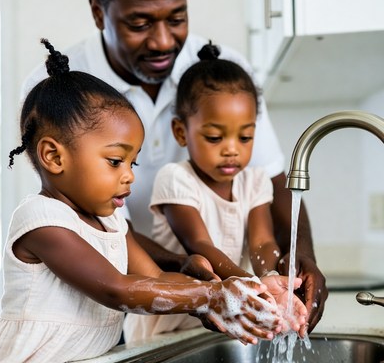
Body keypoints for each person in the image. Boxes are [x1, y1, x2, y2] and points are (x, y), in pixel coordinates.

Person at [22, 0, 327, 331]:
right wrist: (218, 293)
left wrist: (295, 261)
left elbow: (274, 185)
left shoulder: (223, 73)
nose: (163, 41)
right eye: (140, 24)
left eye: (177, 18)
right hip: (105, 303)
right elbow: (109, 262)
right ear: (99, 12)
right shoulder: (55, 91)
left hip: (164, 294)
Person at [0, 39, 295, 362]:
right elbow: (117, 289)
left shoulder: (112, 222)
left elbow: (154, 280)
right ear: (53, 156)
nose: (130, 175)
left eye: (132, 163)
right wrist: (212, 296)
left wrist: (240, 291)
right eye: (116, 161)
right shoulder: (42, 221)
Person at [123, 42, 308, 342]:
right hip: (167, 325)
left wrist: (270, 279)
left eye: (245, 136)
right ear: (181, 132)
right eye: (214, 137)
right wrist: (252, 287)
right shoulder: (175, 179)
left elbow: (262, 243)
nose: (232, 149)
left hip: (226, 312)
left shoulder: (255, 182)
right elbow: (198, 244)